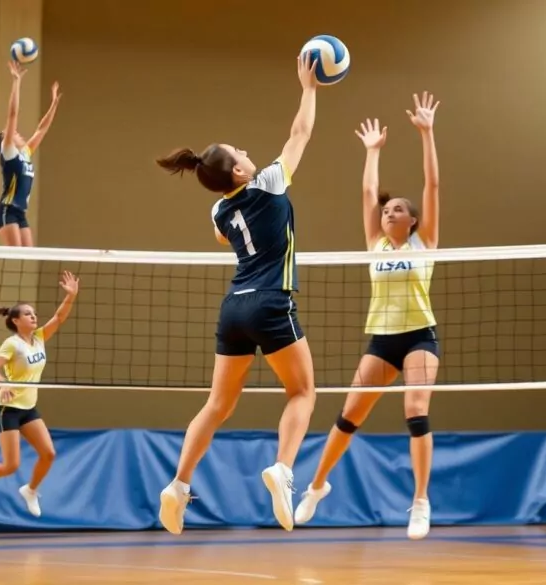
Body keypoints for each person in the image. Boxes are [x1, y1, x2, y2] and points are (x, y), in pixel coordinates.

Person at [154, 54, 321, 535]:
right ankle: (283, 469)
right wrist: (309, 89)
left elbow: (226, 236)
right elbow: (300, 134)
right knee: (303, 392)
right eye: (240, 152)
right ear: (242, 173)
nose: (249, 151)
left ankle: (179, 485)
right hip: (271, 300)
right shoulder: (268, 182)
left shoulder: (217, 212)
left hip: (234, 308)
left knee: (217, 405)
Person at [294, 92, 442, 540]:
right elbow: (365, 191)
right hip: (380, 338)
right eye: (386, 208)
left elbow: (432, 187)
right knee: (348, 417)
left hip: (419, 337)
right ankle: (317, 487)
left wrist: (427, 133)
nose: (388, 210)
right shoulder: (374, 244)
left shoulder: (426, 242)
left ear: (413, 221)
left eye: (397, 208)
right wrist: (372, 152)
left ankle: (419, 502)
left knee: (415, 411)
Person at [0, 271, 80, 517]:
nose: (33, 316)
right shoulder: (12, 344)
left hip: (29, 408)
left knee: (49, 454)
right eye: (27, 313)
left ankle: (31, 490)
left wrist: (71, 296)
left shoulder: (38, 338)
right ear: (15, 321)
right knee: (10, 465)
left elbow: (59, 317)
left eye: (34, 313)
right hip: (8, 408)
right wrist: (3, 383)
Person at [0, 60, 62, 247]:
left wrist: (54, 104)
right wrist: (16, 82)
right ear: (6, 141)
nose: (17, 132)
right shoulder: (8, 153)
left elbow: (41, 129)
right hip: (6, 210)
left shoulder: (25, 153)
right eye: (13, 133)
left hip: (20, 212)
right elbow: (13, 115)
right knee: (16, 254)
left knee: (28, 255)